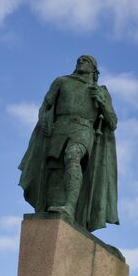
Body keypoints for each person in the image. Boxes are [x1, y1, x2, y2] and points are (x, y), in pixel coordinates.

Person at [18, 55, 119, 232]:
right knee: (55, 173)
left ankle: (70, 207)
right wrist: (44, 121)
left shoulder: (101, 91)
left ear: (94, 70)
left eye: (86, 60)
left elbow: (112, 121)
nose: (81, 62)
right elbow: (46, 105)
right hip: (60, 128)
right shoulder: (62, 81)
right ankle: (55, 207)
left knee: (73, 156)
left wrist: (102, 103)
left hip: (83, 129)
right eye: (79, 60)